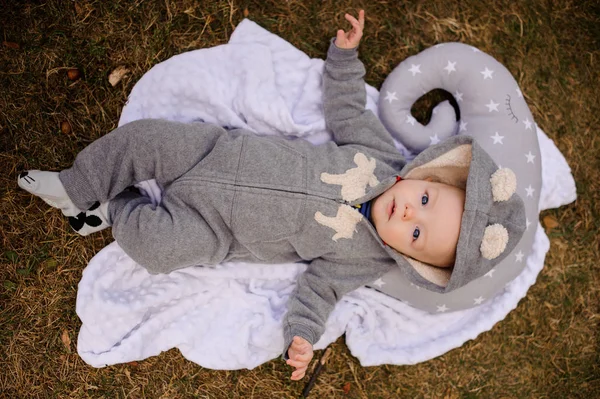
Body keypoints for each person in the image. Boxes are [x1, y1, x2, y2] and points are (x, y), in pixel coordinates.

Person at [18, 10, 525, 380]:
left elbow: (318, 293)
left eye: (416, 232)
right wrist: (345, 59)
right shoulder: (379, 155)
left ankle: (116, 205)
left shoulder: (362, 261)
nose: (410, 212)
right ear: (430, 177)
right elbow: (347, 109)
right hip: (214, 153)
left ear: (410, 257)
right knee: (147, 138)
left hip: (216, 232)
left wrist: (301, 338)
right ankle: (76, 186)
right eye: (427, 201)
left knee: (158, 250)